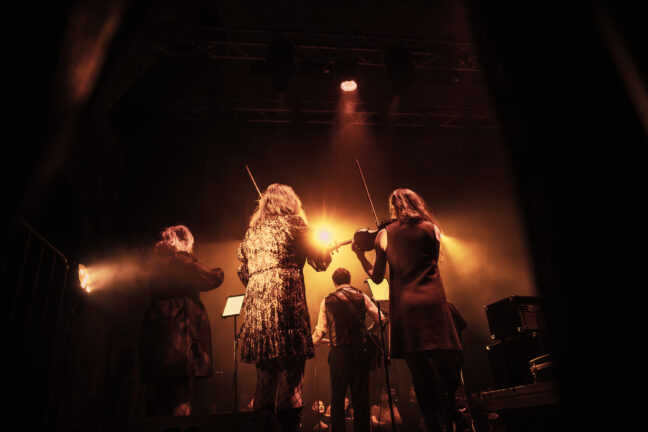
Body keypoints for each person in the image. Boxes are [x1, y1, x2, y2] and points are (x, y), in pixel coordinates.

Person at [353, 188, 462, 432]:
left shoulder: (384, 234)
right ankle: (457, 422)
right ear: (417, 204)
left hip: (406, 309)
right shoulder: (434, 229)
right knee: (449, 377)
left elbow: (377, 278)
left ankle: (433, 426)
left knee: (421, 378)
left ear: (393, 207)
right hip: (435, 305)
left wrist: (361, 257)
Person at [237, 183, 332, 432]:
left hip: (258, 312)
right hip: (287, 306)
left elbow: (243, 272)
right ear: (291, 202)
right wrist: (326, 248)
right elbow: (321, 262)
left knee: (265, 382)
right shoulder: (295, 224)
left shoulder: (251, 233)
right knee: (292, 381)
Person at [140, 225, 224, 416]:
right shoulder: (180, 260)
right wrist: (220, 272)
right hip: (180, 337)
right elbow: (210, 277)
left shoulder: (157, 264)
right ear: (183, 241)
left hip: (157, 336)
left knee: (159, 398)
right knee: (182, 394)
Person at [311, 267, 385, 432]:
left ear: (334, 282)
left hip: (339, 354)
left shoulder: (327, 300)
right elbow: (381, 318)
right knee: (361, 398)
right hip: (360, 352)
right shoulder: (361, 296)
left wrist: (309, 344)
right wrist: (369, 331)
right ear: (349, 279)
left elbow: (320, 331)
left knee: (338, 397)